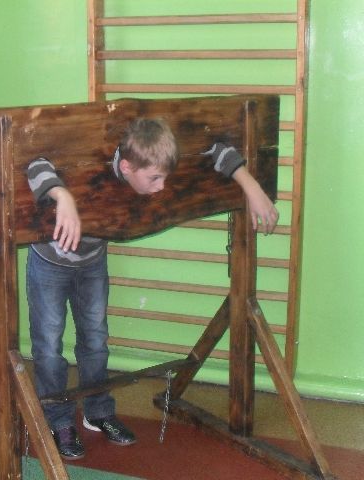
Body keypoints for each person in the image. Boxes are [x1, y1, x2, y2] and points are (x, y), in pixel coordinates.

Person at [26, 118, 279, 461]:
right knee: (48, 347)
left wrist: (251, 187)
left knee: (95, 340)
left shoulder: (143, 164)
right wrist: (63, 195)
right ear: (126, 167)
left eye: (165, 178)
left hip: (91, 261)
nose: (162, 187)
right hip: (49, 262)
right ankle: (58, 421)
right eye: (154, 179)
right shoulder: (92, 162)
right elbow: (35, 163)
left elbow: (216, 147)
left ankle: (97, 412)